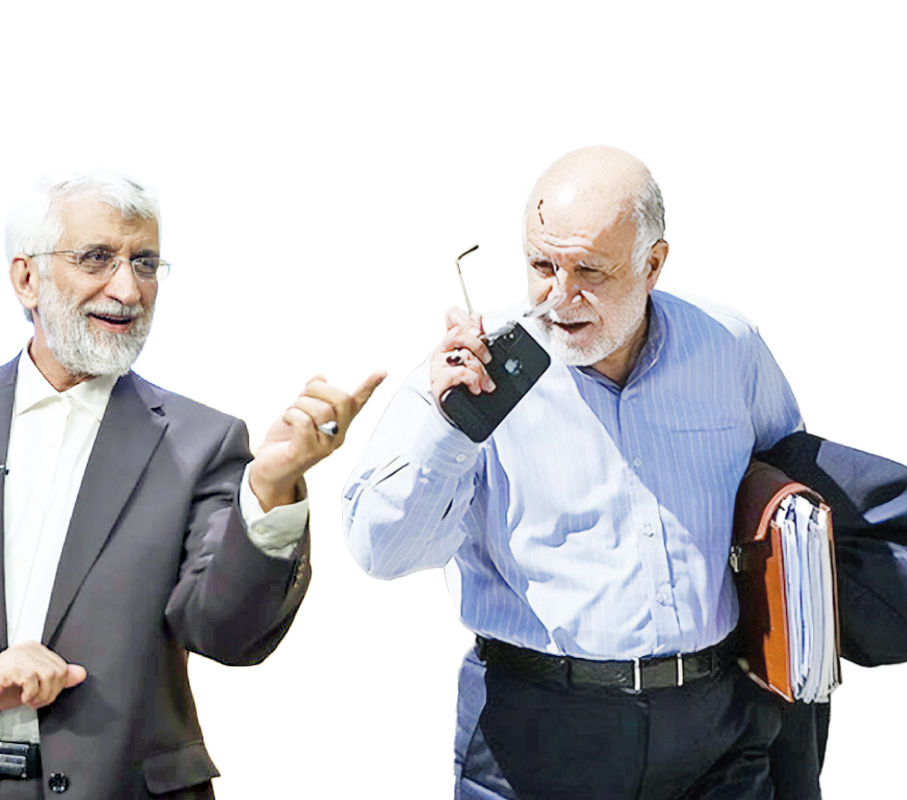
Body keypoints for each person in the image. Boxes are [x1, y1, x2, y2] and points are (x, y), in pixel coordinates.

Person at [0, 172, 383, 799]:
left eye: (145, 263)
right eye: (96, 258)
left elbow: (228, 634)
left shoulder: (203, 444)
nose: (127, 289)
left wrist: (271, 488)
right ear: (26, 279)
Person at [343, 146, 802, 799]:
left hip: (714, 731)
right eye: (541, 265)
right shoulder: (470, 375)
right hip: (537, 735)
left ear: (652, 264)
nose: (559, 295)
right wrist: (452, 430)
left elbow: (788, 485)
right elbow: (381, 552)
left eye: (588, 269)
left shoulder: (728, 347)